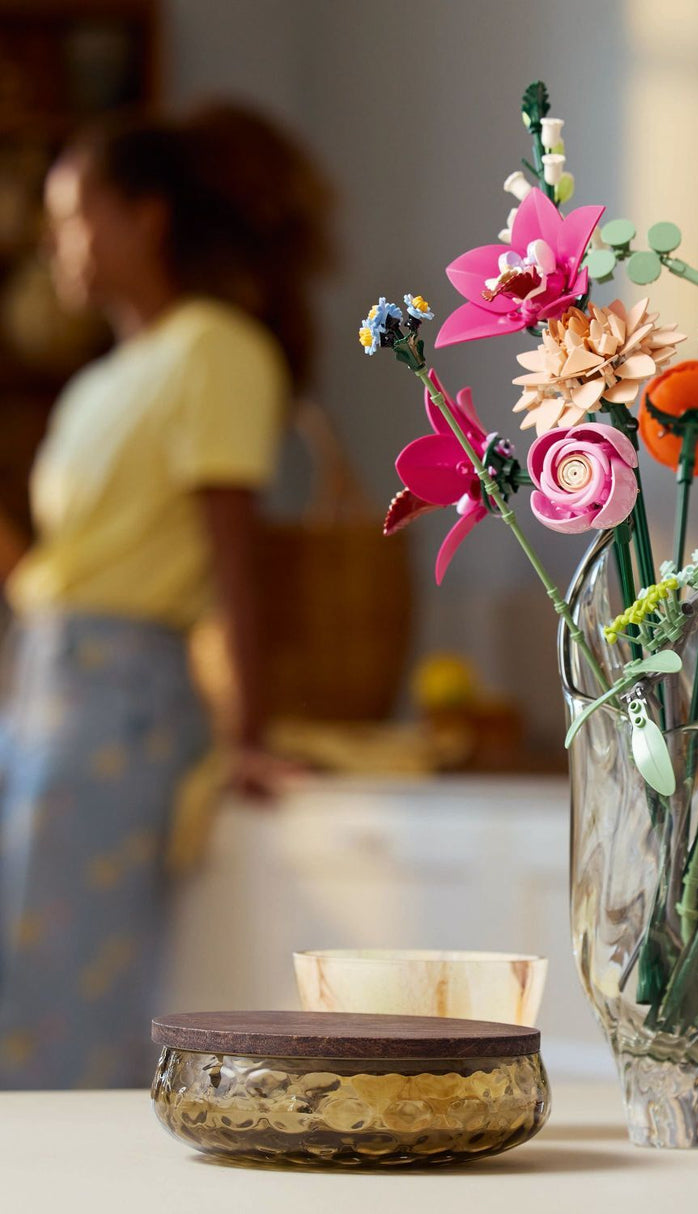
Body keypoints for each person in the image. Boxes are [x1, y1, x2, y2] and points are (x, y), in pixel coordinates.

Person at [0, 103, 333, 1088]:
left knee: (62, 981)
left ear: (143, 217)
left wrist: (245, 730)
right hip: (42, 690)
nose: (56, 240)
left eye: (74, 214)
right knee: (22, 961)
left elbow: (234, 555)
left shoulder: (216, 352)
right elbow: (72, 569)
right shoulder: (102, 382)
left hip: (119, 709)